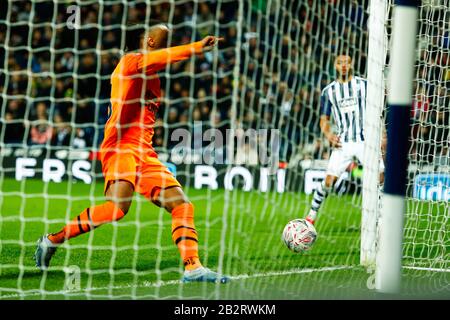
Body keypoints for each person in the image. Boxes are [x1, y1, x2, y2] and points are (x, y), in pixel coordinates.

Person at [35, 24, 229, 283]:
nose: (168, 36)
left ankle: (193, 267)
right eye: (163, 34)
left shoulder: (154, 78)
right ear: (149, 40)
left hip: (145, 154)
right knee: (117, 209)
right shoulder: (129, 63)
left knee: (182, 205)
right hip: (120, 148)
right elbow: (162, 57)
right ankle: (52, 240)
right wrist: (196, 48)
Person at [305, 53, 384, 225]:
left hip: (366, 141)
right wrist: (328, 135)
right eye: (339, 63)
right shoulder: (329, 92)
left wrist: (382, 133)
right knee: (328, 181)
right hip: (343, 142)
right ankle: (311, 216)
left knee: (380, 175)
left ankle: (382, 216)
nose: (343, 66)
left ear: (352, 64)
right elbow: (323, 119)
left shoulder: (365, 85)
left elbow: (380, 109)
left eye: (347, 62)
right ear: (334, 65)